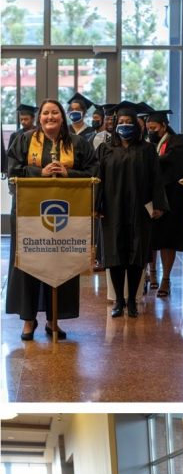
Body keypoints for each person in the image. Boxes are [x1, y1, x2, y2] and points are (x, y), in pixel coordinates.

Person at [5, 99, 98, 340]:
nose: (50, 117)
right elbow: (12, 171)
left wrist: (69, 173)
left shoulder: (76, 143)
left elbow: (94, 172)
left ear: (62, 116)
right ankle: (28, 320)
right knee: (28, 261)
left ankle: (54, 319)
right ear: (40, 117)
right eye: (46, 113)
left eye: (54, 113)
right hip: (28, 214)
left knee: (59, 261)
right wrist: (39, 172)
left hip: (65, 216)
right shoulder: (25, 140)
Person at [95, 100, 169, 318]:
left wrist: (159, 205)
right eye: (121, 121)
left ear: (137, 126)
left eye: (129, 122)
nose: (124, 125)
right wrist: (96, 205)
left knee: (136, 255)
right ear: (115, 123)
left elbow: (157, 179)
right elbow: (98, 179)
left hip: (140, 209)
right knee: (115, 254)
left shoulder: (147, 150)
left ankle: (132, 301)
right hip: (112, 208)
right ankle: (118, 300)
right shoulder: (105, 149)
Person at [146, 110, 183, 297]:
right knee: (150, 239)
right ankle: (152, 274)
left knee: (167, 239)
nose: (150, 132)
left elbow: (172, 162)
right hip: (151, 197)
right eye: (148, 128)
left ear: (163, 126)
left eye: (153, 128)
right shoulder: (149, 145)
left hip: (172, 198)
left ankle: (166, 279)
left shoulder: (178, 141)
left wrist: (148, 159)